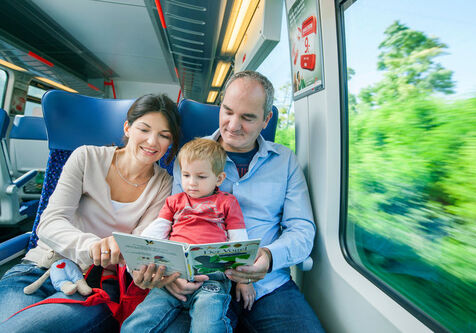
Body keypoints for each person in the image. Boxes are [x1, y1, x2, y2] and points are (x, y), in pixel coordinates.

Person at [128, 71, 325, 332]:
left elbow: (302, 230)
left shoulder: (285, 161)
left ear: (266, 119)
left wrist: (267, 257)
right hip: (197, 281)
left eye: (247, 117)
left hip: (266, 283)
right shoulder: (189, 158)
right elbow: (173, 222)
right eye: (228, 111)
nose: (232, 125)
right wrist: (167, 274)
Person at [0, 93, 181, 332]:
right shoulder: (86, 157)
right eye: (144, 130)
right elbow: (50, 222)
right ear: (127, 128)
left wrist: (142, 272)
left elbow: (139, 246)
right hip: (39, 267)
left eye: (164, 136)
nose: (152, 141)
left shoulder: (164, 185)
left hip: (95, 283)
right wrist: (93, 246)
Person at [123, 138, 254, 332]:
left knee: (208, 324)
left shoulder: (227, 202)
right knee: (137, 324)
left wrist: (244, 279)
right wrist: (136, 253)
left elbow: (239, 240)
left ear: (219, 178)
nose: (192, 183)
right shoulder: (174, 202)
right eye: (186, 175)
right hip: (172, 275)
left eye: (201, 177)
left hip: (212, 277)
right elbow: (156, 231)